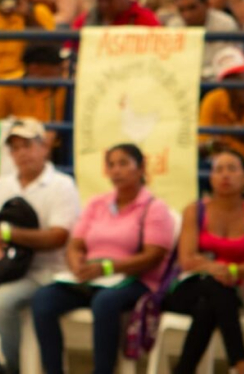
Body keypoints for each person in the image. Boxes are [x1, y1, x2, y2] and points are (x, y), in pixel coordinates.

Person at [0, 118, 80, 374]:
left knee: (0, 304)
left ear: (45, 147)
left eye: (27, 145)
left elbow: (58, 237)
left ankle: (13, 369)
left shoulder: (61, 185)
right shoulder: (1, 185)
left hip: (42, 273)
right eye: (15, 148)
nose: (21, 153)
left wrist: (5, 234)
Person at [32, 144, 175, 374]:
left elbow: (153, 256)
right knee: (44, 298)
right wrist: (76, 262)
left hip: (134, 281)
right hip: (92, 278)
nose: (116, 170)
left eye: (124, 163)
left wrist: (108, 267)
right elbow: (75, 244)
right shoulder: (97, 203)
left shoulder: (154, 207)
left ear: (141, 168)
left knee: (105, 302)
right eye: (111, 165)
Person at [163, 150, 244, 374]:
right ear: (210, 177)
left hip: (230, 290)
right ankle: (241, 362)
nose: (225, 175)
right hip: (188, 287)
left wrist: (231, 270)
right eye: (218, 169)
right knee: (216, 288)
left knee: (209, 304)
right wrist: (216, 270)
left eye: (232, 169)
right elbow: (187, 260)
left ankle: (184, 369)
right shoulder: (195, 210)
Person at [199, 48, 244, 164]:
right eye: (229, 79)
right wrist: (212, 145)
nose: (236, 84)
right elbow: (199, 146)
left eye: (241, 76)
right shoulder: (213, 100)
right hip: (223, 170)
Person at [168, 0, 241, 81]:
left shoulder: (225, 24)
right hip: (184, 83)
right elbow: (171, 63)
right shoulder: (174, 26)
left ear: (207, 4)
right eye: (181, 10)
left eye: (192, 8)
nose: (187, 15)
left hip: (218, 83)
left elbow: (228, 62)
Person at [0, 45, 68, 126]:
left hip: (57, 141)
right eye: (55, 67)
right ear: (34, 67)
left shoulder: (65, 89)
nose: (60, 71)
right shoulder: (8, 87)